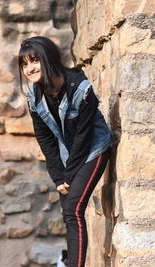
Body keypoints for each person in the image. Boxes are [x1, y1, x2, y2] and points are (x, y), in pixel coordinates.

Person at [18, 36, 113, 267]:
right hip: (65, 155)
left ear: (48, 58)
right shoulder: (34, 95)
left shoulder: (81, 89)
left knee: (73, 208)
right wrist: (58, 177)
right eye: (24, 64)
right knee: (68, 214)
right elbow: (45, 139)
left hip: (93, 149)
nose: (30, 68)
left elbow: (83, 137)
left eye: (34, 61)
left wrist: (68, 176)